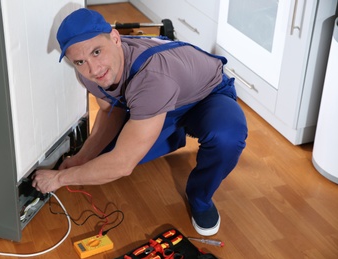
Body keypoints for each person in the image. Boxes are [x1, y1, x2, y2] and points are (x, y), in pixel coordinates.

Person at [32, 8, 248, 236]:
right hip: (159, 103)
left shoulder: (152, 78)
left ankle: (200, 197)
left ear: (115, 38)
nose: (93, 69)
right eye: (80, 61)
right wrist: (82, 158)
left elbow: (122, 165)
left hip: (205, 97)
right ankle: (166, 131)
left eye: (97, 52)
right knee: (100, 159)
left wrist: (59, 179)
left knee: (227, 137)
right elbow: (109, 112)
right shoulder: (89, 73)